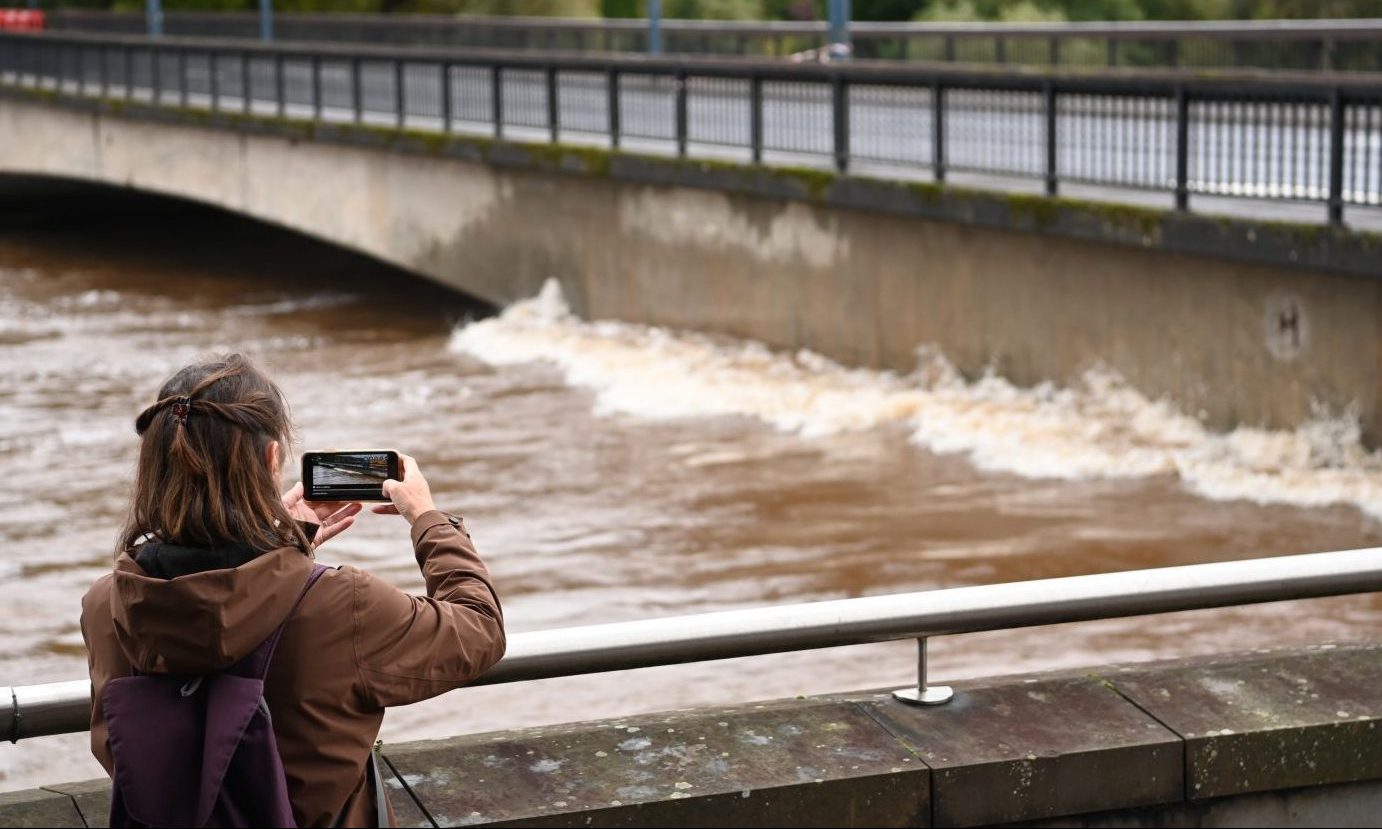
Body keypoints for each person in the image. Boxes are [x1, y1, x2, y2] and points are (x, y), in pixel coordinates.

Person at [80, 353, 506, 827]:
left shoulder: (106, 607)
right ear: (271, 459)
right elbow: (479, 628)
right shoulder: (344, 604)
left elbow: (134, 747)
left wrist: (281, 544)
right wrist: (428, 518)